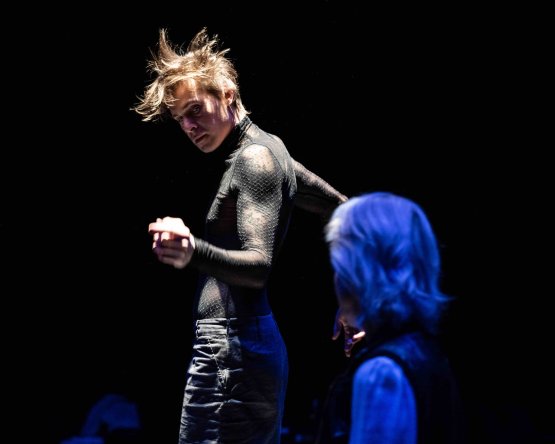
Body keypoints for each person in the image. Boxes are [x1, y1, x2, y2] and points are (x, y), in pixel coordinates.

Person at [132, 27, 347, 444]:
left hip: (231, 350)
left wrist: (192, 250)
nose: (189, 126)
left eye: (195, 110)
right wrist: (355, 293)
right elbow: (344, 210)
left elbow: (258, 267)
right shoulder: (270, 148)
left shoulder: (255, 158)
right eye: (180, 119)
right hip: (240, 348)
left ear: (228, 94)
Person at [316, 192, 465, 444]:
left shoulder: (382, 373)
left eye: (339, 266)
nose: (336, 278)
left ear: (358, 272)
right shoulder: (426, 350)